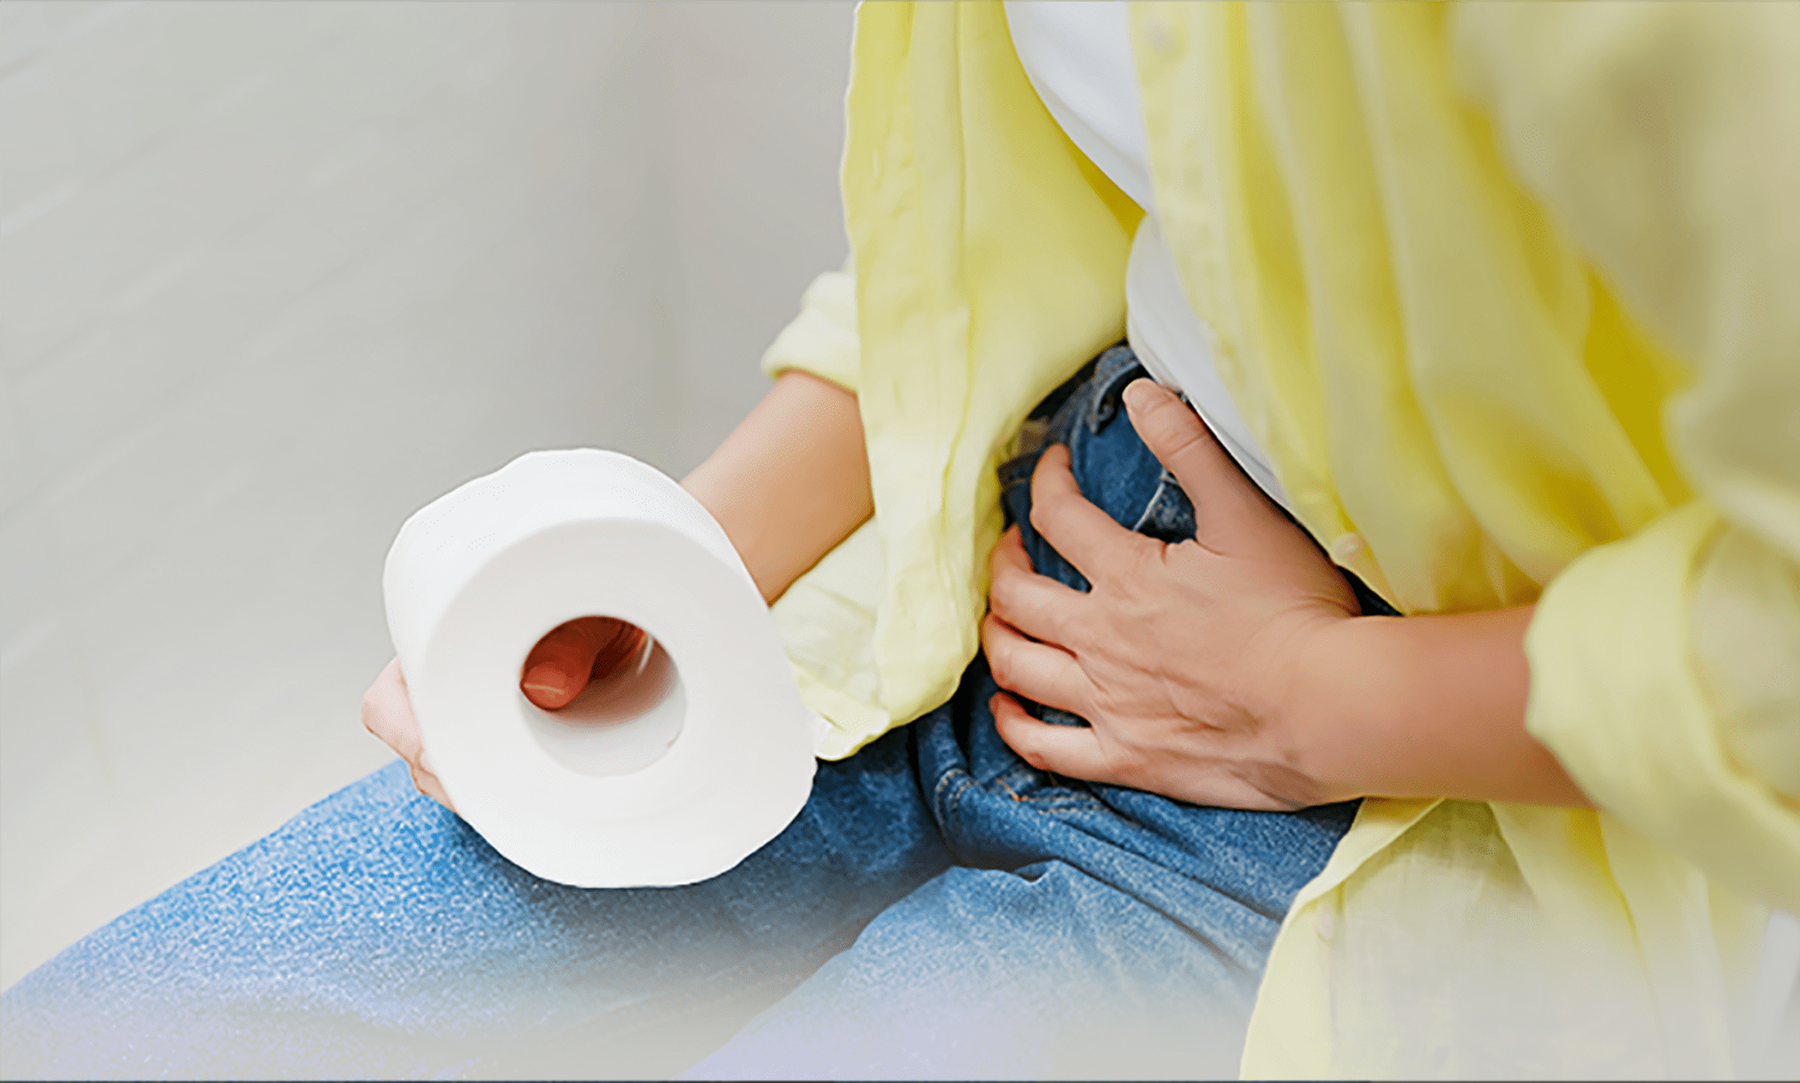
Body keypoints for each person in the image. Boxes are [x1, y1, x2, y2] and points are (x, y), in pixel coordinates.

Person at [4, 2, 1797, 1078]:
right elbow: (1050, 222)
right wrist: (681, 570)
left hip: (1392, 779)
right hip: (987, 574)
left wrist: (1306, 698)